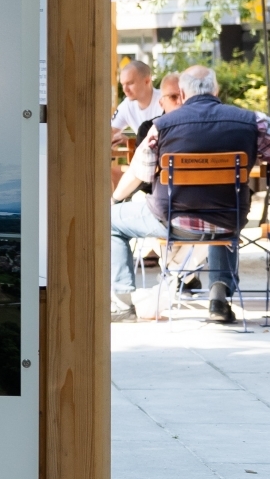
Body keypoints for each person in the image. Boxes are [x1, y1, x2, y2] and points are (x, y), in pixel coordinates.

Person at [111, 63, 261, 323]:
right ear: (216, 88)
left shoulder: (161, 126)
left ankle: (122, 304)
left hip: (174, 220)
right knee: (221, 211)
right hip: (228, 219)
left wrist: (113, 200)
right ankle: (219, 299)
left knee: (110, 220)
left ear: (181, 93)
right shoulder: (250, 121)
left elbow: (140, 173)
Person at [111, 58, 165, 145]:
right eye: (123, 84)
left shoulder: (166, 100)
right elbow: (110, 132)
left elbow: (167, 140)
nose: (125, 89)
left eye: (130, 83)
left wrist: (131, 142)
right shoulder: (126, 106)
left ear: (147, 81)